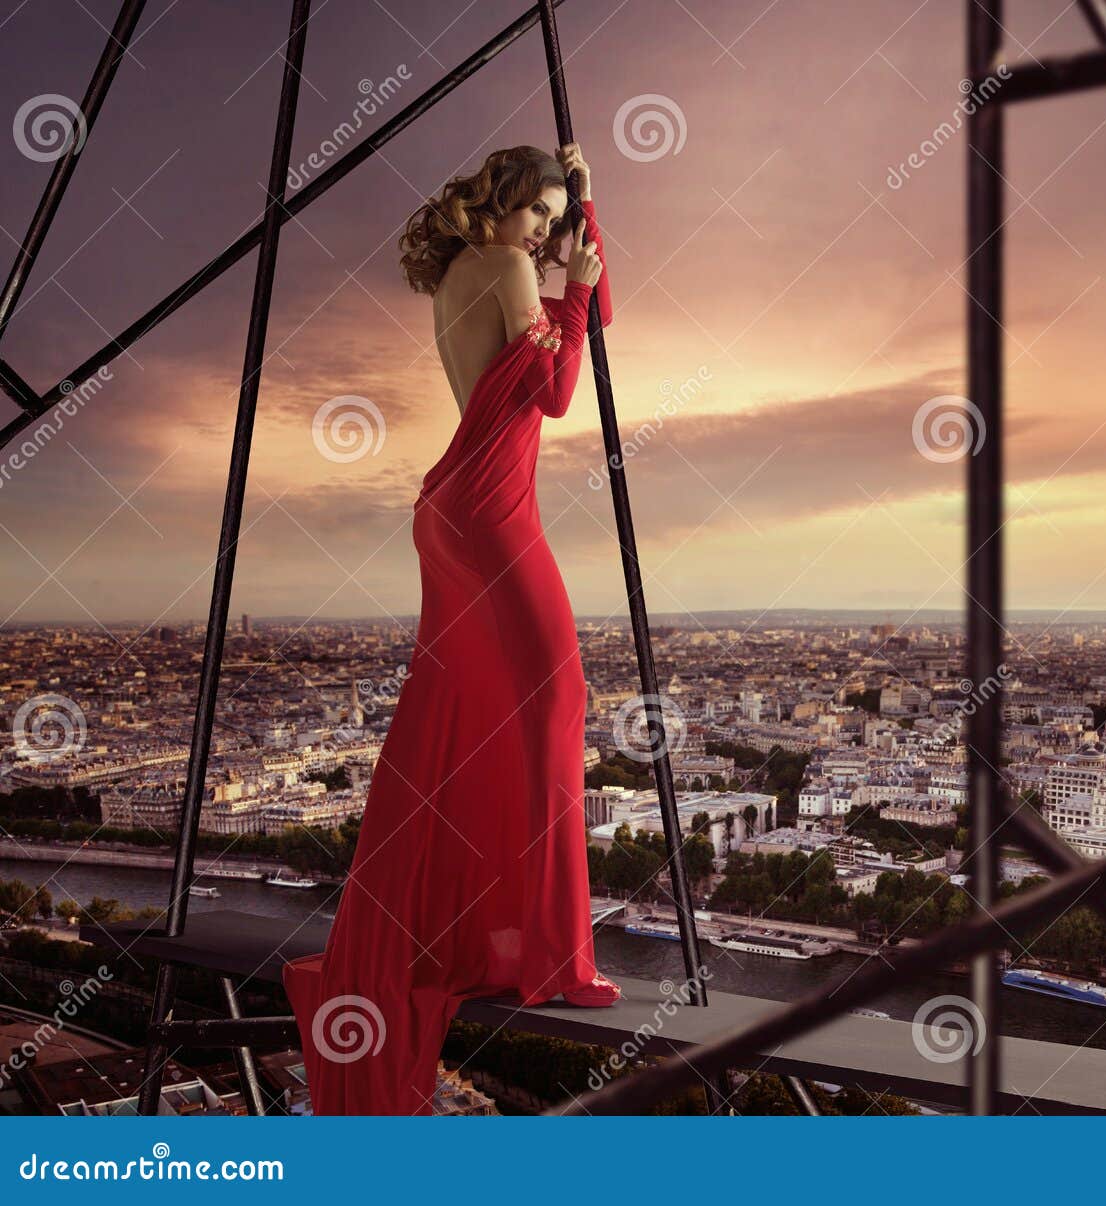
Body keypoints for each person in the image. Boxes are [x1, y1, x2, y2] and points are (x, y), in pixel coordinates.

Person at [282, 142, 619, 1117]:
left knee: (461, 713)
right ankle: (539, 948)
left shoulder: (474, 272)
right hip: (488, 508)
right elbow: (551, 397)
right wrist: (580, 293)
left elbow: (521, 374)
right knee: (554, 696)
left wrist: (587, 224)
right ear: (503, 207)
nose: (549, 234)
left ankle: (481, 935)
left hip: (459, 505)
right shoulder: (514, 269)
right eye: (541, 214)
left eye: (559, 219)